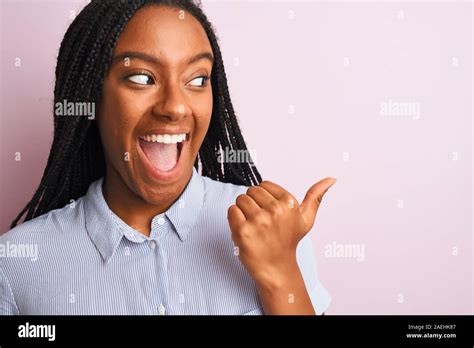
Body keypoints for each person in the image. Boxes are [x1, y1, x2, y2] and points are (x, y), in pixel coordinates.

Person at [0, 0, 335, 315]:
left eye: (197, 79)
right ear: (91, 97)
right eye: (142, 78)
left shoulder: (274, 230)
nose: (174, 106)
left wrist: (280, 274)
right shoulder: (17, 265)